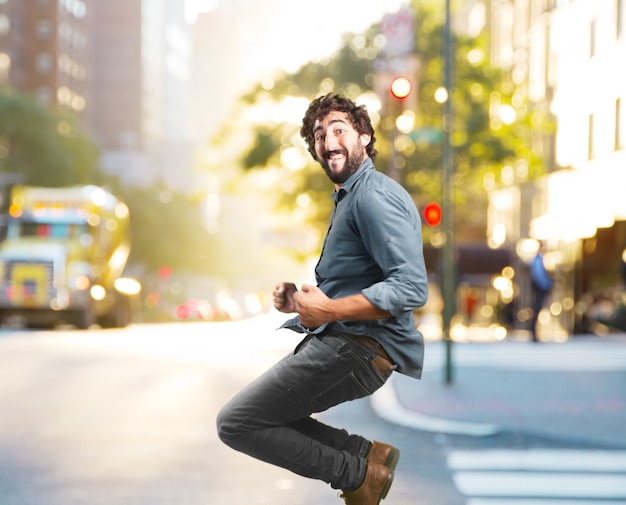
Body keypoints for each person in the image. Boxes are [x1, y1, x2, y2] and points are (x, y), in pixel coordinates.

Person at [216, 93, 428, 505]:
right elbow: (361, 278)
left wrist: (328, 309)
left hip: (359, 349)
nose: (328, 140)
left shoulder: (370, 197)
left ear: (363, 136)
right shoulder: (354, 194)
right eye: (319, 134)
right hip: (353, 343)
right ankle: (365, 455)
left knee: (237, 422)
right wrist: (298, 301)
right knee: (266, 416)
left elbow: (409, 287)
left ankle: (357, 473)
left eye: (339, 130)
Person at [529, 247, 553, 342]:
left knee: (537, 310)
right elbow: (538, 275)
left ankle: (534, 332)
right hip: (540, 288)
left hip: (540, 287)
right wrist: (546, 285)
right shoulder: (538, 260)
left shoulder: (538, 260)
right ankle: (533, 332)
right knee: (536, 310)